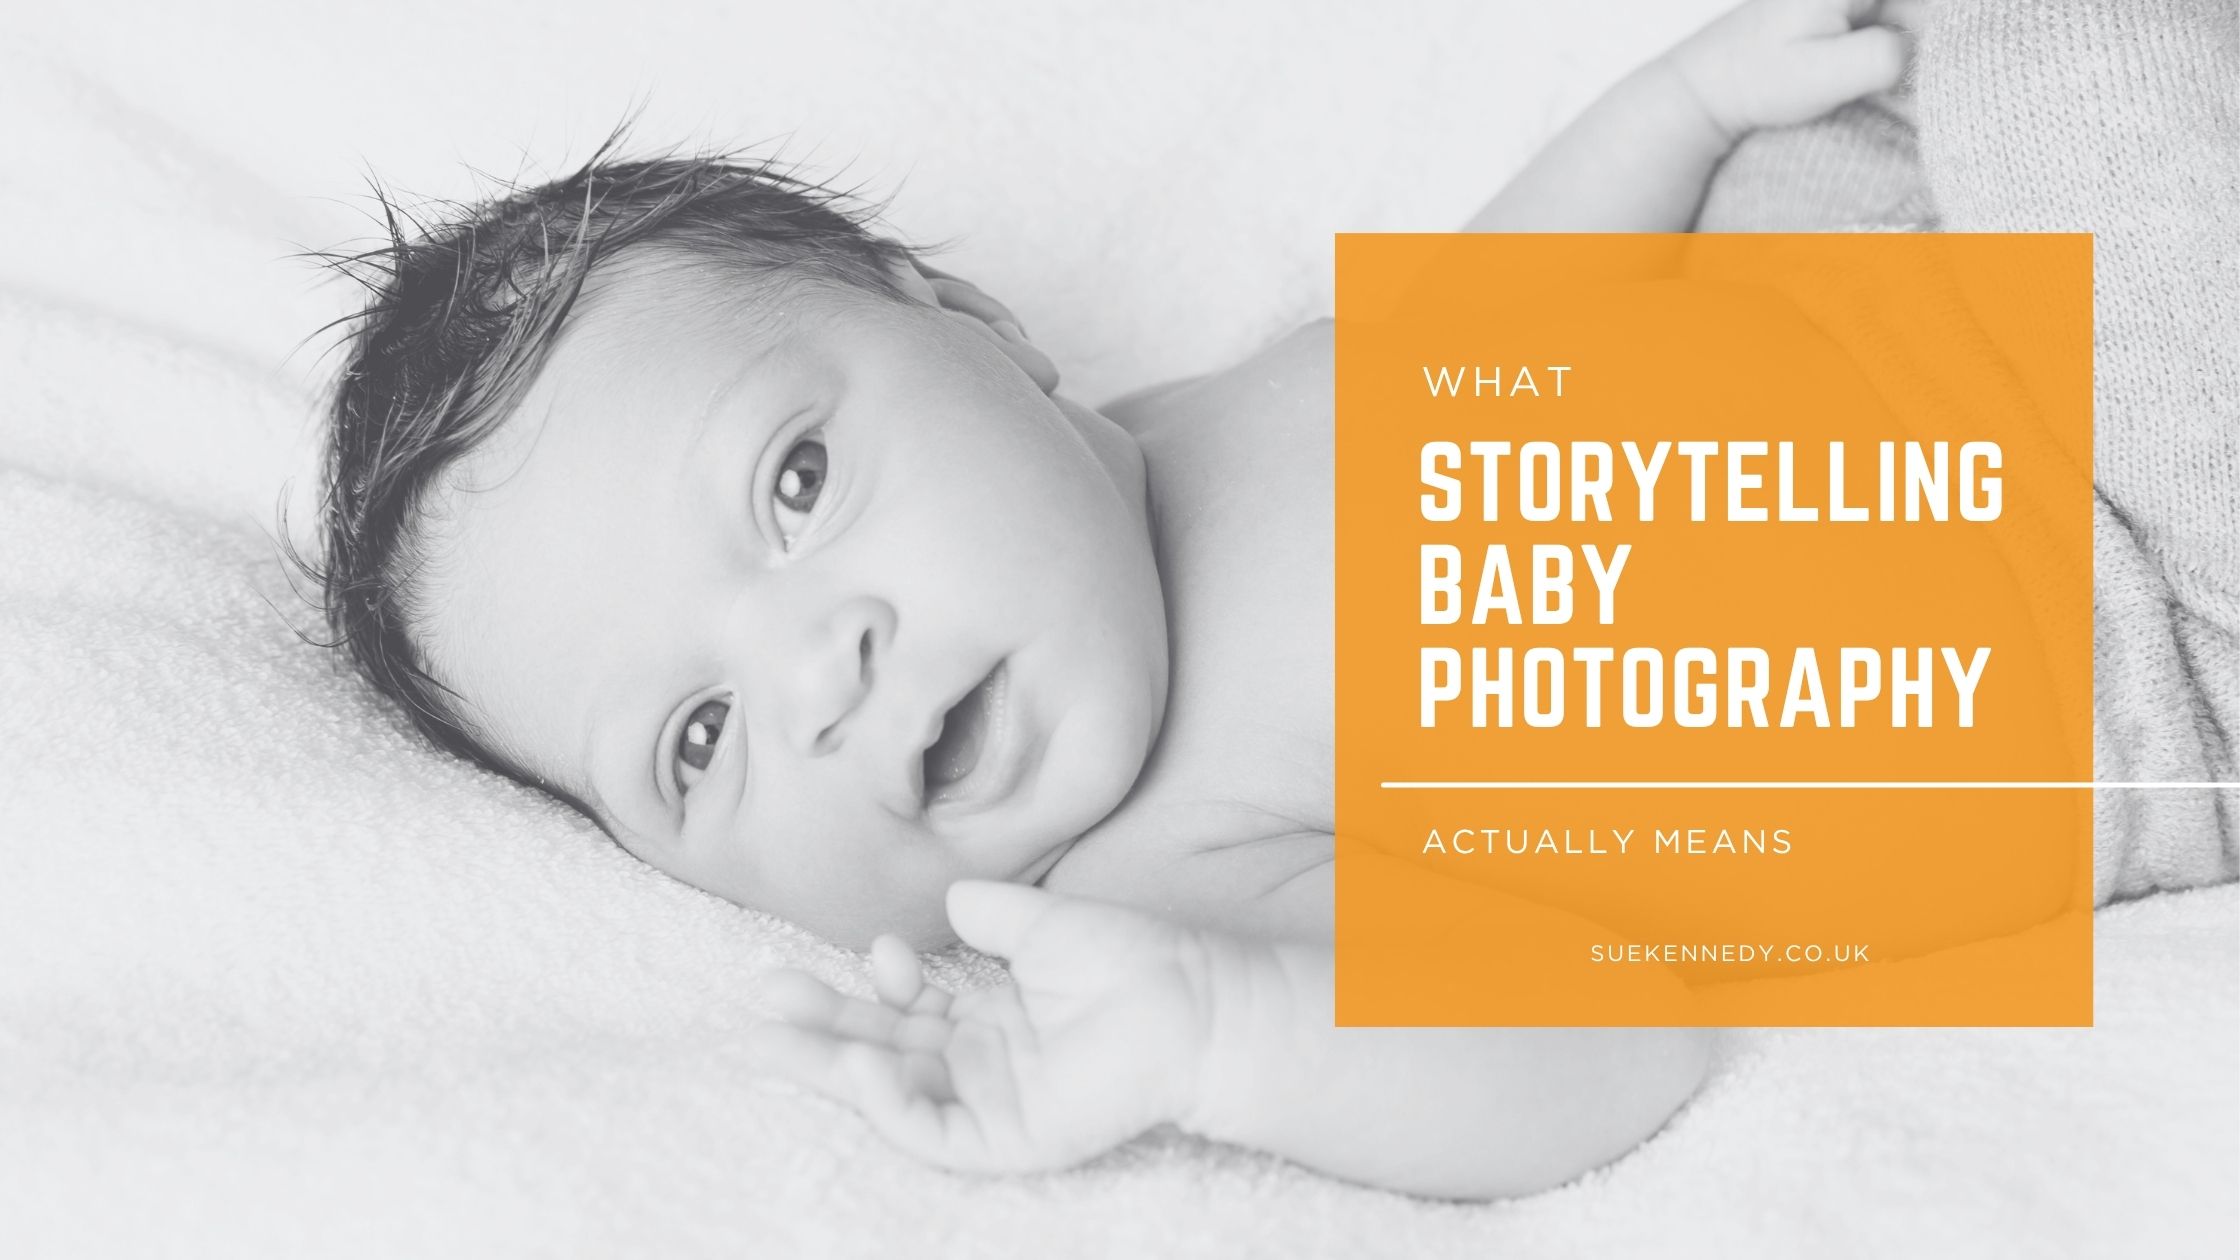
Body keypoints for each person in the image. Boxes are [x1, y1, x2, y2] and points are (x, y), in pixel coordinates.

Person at [310, 0, 1915, 1198]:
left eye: (795, 484)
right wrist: (1224, 1034)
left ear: (985, 333)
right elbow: (1613, 1037)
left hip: (1867, 263)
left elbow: (1481, 317)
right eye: (698, 735)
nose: (815, 679)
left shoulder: (1172, 437)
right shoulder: (1167, 878)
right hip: (2073, 590)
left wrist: (1686, 105)